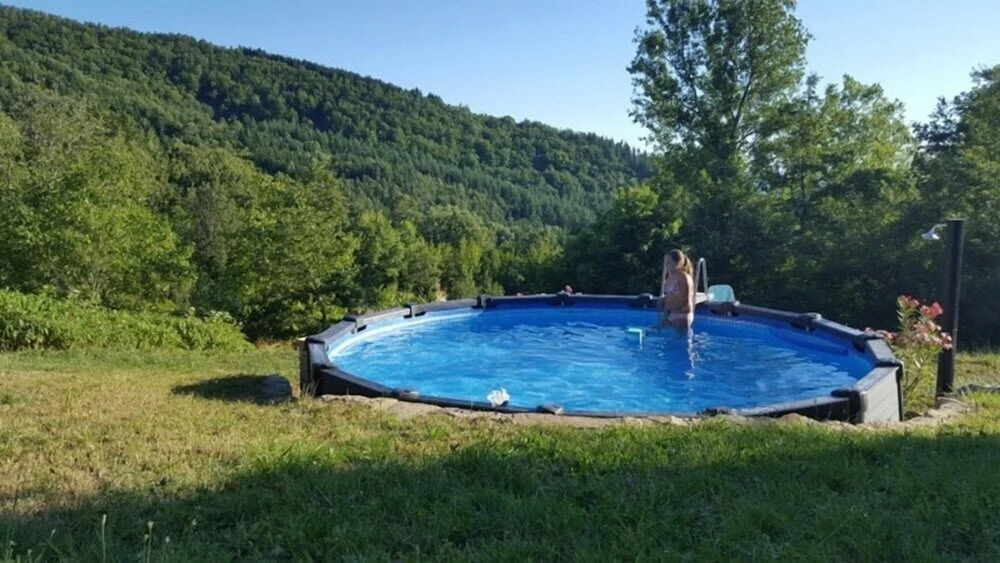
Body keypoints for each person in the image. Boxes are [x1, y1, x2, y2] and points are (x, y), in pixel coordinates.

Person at [659, 249, 694, 333]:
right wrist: (664, 301)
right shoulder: (670, 277)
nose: (666, 265)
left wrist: (672, 310)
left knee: (680, 339)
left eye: (669, 263)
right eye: (665, 263)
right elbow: (671, 295)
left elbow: (685, 300)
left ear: (678, 263)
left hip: (681, 315)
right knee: (654, 331)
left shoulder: (683, 277)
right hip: (671, 313)